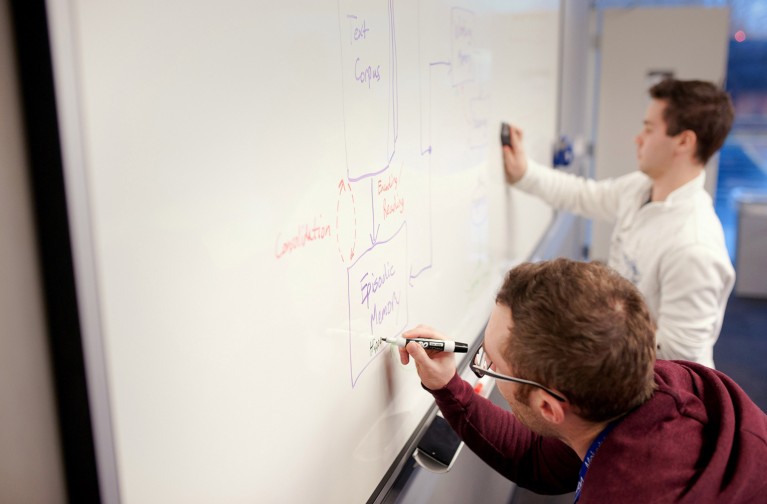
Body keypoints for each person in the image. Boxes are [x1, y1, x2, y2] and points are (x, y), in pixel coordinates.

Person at [399, 259, 767, 503]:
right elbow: (536, 458)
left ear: (549, 407)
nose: (482, 362)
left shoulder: (624, 493)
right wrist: (449, 385)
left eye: (488, 363)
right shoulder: (664, 384)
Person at [502, 78, 735, 368]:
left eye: (649, 129)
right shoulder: (641, 188)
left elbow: (680, 358)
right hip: (623, 372)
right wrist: (524, 173)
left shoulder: (694, 246)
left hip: (662, 392)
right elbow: (584, 195)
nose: (638, 138)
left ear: (684, 141)